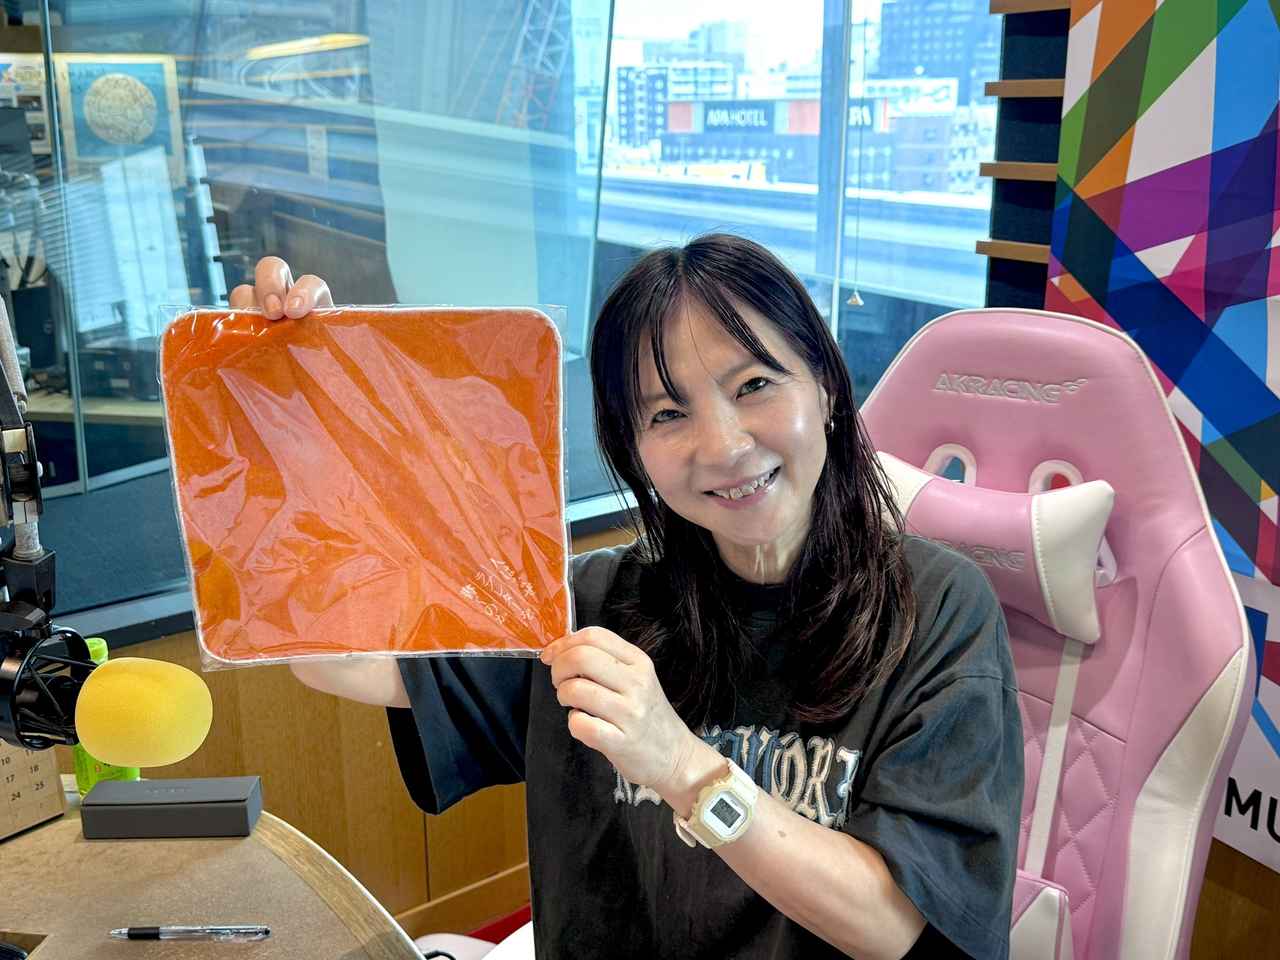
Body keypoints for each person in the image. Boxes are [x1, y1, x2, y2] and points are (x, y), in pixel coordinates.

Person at [233, 234, 1023, 959]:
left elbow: (893, 926)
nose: (723, 446)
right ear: (633, 448)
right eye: (669, 413)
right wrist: (301, 417)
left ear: (825, 387)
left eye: (753, 384)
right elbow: (334, 658)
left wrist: (682, 764)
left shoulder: (937, 612)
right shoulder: (589, 607)